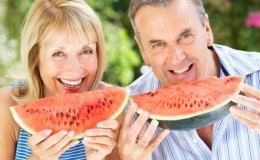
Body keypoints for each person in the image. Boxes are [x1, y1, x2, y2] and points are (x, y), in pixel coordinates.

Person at [117, 0, 260, 159]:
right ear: (142, 49)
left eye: (185, 36)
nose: (177, 58)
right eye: (158, 44)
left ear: (207, 29)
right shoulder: (127, 116)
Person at [0, 0, 119, 159]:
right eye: (58, 53)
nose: (75, 70)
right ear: (35, 57)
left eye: (86, 51)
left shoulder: (112, 108)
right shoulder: (6, 107)